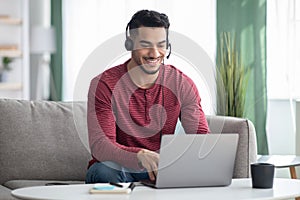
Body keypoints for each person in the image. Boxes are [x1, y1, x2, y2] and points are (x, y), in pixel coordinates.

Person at [85, 9, 209, 184]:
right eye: (145, 44)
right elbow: (101, 146)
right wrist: (139, 155)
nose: (154, 53)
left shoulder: (182, 83)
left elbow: (201, 138)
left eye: (161, 45)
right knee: (105, 171)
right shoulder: (104, 84)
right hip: (120, 168)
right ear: (130, 45)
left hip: (161, 168)